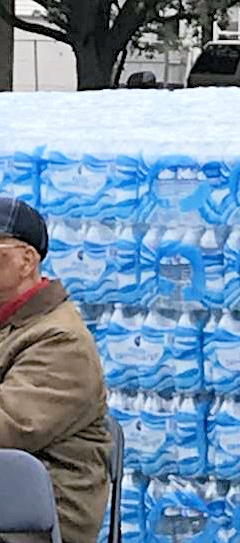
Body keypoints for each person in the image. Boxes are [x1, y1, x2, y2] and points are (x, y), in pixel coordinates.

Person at [0, 198, 111, 543]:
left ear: (26, 260)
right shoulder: (12, 323)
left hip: (36, 521)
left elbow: (7, 426)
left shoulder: (61, 341)